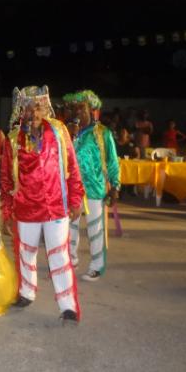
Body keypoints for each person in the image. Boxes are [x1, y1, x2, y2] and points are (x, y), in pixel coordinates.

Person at [0, 85, 84, 324]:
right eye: (27, 108)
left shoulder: (59, 131)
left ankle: (68, 306)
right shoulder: (13, 138)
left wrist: (76, 198)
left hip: (55, 206)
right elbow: (6, 177)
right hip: (25, 208)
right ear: (21, 111)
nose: (32, 113)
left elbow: (73, 167)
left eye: (37, 107)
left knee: (59, 256)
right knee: (26, 253)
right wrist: (7, 211)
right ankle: (26, 293)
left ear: (45, 108)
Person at [66, 90, 121, 282]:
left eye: (81, 109)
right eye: (74, 109)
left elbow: (113, 161)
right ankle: (70, 260)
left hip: (94, 189)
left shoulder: (102, 133)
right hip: (71, 189)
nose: (77, 113)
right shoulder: (67, 132)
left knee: (94, 229)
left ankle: (97, 266)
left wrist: (115, 186)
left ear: (91, 109)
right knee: (69, 227)